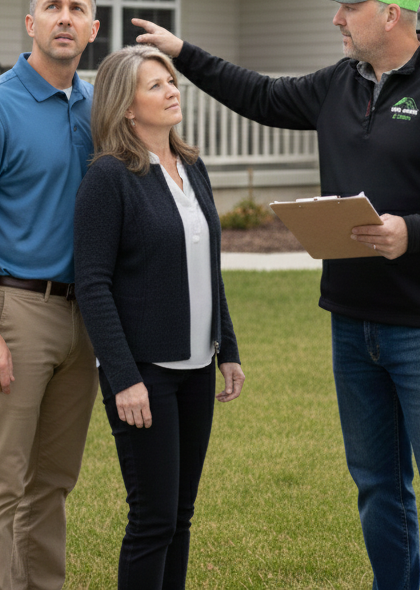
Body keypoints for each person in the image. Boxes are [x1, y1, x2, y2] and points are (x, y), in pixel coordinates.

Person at [131, 0, 420, 590]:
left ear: (390, 14)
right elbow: (259, 94)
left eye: (349, 8)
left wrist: (410, 232)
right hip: (352, 323)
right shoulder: (341, 82)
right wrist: (183, 53)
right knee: (375, 486)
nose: (337, 18)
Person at [0, 0, 101, 590]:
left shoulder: (99, 107)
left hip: (84, 317)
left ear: (93, 28)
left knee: (53, 483)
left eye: (77, 8)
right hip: (15, 311)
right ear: (31, 23)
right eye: (53, 6)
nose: (65, 17)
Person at [74, 45, 244, 590]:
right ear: (126, 106)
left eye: (172, 81)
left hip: (197, 366)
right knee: (152, 520)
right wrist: (123, 377)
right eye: (156, 85)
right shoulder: (109, 177)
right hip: (144, 374)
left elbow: (207, 267)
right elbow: (92, 284)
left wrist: (228, 350)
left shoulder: (192, 166)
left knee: (180, 515)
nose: (173, 90)